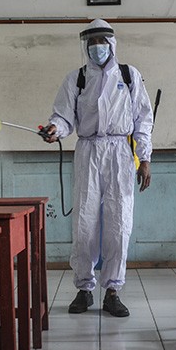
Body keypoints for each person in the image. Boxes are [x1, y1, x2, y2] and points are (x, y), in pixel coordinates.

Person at [42, 19, 153, 317]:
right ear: (85, 46)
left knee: (119, 224)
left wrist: (144, 158)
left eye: (101, 42)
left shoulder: (129, 76)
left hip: (120, 152)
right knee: (84, 223)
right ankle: (84, 289)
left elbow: (143, 120)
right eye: (91, 43)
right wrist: (54, 129)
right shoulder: (77, 78)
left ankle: (113, 290)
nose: (96, 47)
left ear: (112, 44)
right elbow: (63, 117)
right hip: (88, 150)